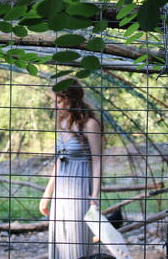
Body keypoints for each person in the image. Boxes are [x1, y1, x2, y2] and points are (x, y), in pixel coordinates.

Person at [39, 78, 103, 259]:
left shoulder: (90, 124)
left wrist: (94, 195)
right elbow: (59, 161)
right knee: (59, 237)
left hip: (79, 188)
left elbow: (97, 161)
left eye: (59, 101)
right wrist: (47, 195)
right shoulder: (63, 123)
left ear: (71, 99)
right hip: (61, 189)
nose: (55, 106)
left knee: (77, 238)